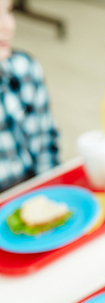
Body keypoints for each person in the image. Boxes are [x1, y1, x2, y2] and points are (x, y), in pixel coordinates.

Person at [0, 0, 59, 193]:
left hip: (33, 192)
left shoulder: (25, 71)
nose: (8, 25)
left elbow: (46, 150)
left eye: (8, 10)